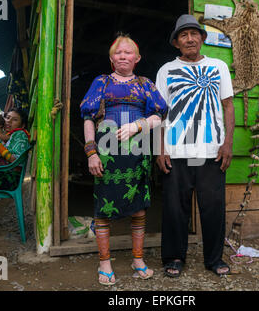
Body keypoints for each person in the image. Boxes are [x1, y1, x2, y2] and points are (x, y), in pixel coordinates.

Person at [79, 33, 167, 285]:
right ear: (111, 58)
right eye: (118, 52)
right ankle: (104, 262)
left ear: (137, 58)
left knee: (138, 207)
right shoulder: (102, 82)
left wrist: (138, 125)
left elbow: (159, 116)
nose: (123, 56)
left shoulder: (145, 84)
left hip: (138, 155)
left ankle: (137, 259)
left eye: (128, 52)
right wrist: (91, 152)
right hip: (106, 156)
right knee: (104, 209)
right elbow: (88, 117)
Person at [155, 14, 235, 278]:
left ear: (202, 38)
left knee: (213, 208)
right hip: (176, 150)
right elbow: (160, 112)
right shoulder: (166, 70)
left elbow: (228, 106)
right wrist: (160, 148)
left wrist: (227, 144)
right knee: (175, 209)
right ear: (176, 42)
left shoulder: (218, 66)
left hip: (211, 151)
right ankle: (174, 258)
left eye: (194, 34)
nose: (189, 39)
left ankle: (214, 259)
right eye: (183, 35)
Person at [0, 108, 31, 190]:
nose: (9, 121)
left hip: (9, 178)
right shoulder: (5, 136)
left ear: (22, 125)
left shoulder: (20, 134)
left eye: (15, 120)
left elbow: (14, 160)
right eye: (7, 117)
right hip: (0, 174)